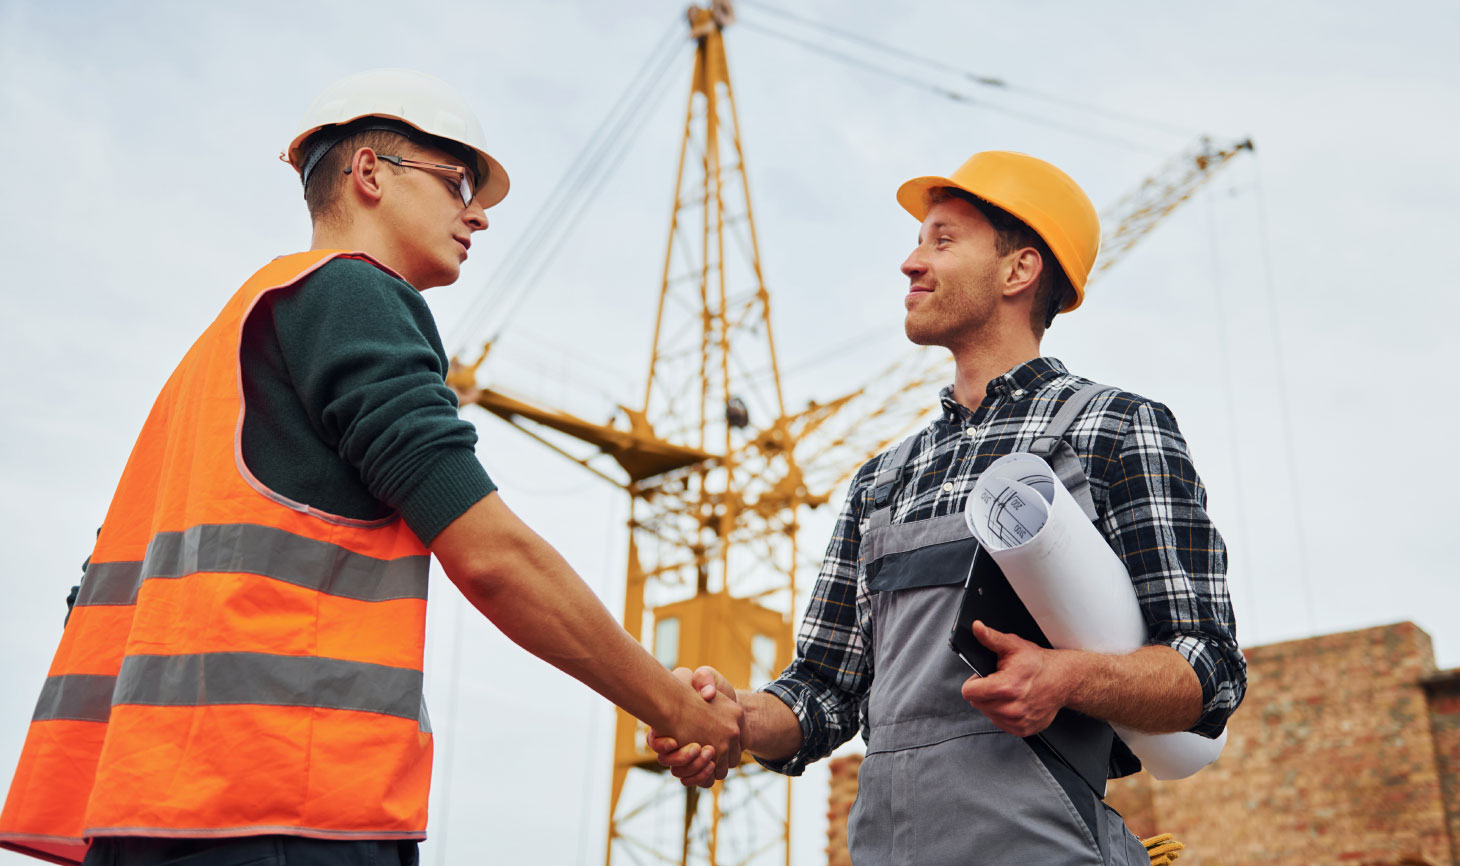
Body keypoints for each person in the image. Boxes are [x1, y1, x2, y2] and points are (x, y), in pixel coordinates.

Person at [0, 68, 741, 866]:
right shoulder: (350, 296)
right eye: (458, 182)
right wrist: (673, 705)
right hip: (284, 807)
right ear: (369, 175)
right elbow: (488, 554)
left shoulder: (220, 349)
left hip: (152, 816)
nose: (480, 215)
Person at [650, 151, 1245, 864]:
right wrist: (738, 718)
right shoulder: (883, 479)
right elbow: (824, 693)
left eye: (942, 240)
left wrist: (1067, 679)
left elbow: (1209, 668)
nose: (910, 262)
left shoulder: (1113, 431)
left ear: (1018, 271)